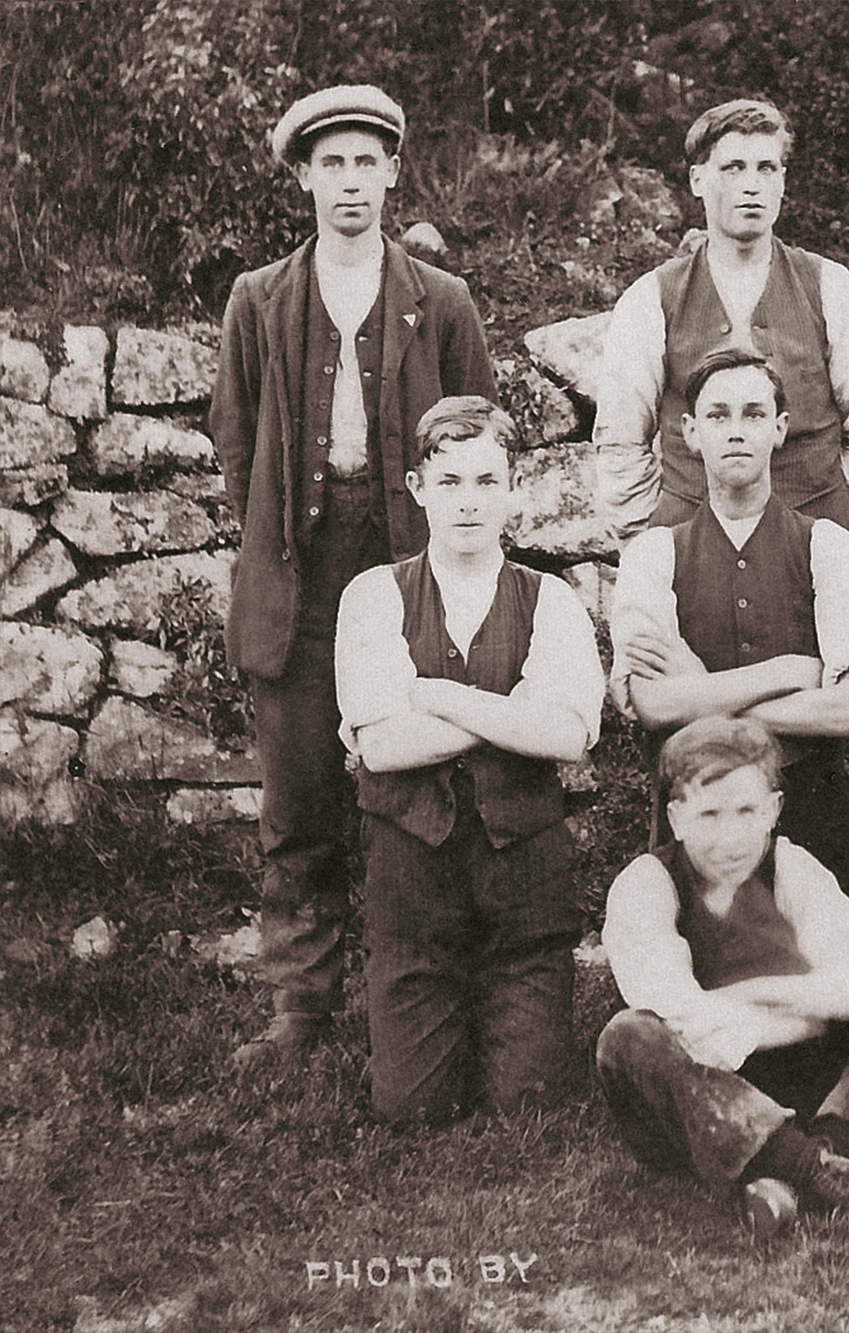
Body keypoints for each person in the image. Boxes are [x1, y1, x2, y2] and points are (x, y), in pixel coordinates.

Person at [212, 84, 498, 1065]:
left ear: (391, 172)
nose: (349, 182)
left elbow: (476, 432)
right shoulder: (258, 299)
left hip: (405, 568)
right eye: (329, 163)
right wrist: (275, 532)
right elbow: (236, 438)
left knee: (413, 782)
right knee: (298, 797)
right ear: (303, 177)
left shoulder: (441, 301)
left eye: (365, 162)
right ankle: (301, 1007)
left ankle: (414, 986)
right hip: (297, 575)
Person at [596, 716, 849, 1242]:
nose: (731, 838)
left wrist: (760, 994)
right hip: (707, 1103)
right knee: (629, 1036)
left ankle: (801, 1168)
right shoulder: (647, 884)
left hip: (804, 1081)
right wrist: (819, 1013)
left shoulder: (791, 866)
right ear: (676, 817)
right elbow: (688, 1021)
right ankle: (841, 1178)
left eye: (747, 812)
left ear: (773, 810)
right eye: (709, 814)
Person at [332, 397, 603, 1121]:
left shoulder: (552, 601)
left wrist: (438, 696)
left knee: (528, 1103)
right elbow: (384, 746)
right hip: (412, 889)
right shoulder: (373, 596)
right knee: (412, 1108)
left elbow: (568, 736)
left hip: (523, 888)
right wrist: (513, 713)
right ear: (418, 488)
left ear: (514, 488)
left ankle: (508, 1017)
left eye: (487, 481)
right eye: (449, 481)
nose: (469, 501)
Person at [607, 347, 849, 892]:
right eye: (718, 415)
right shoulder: (653, 555)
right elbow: (654, 704)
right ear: (691, 432)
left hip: (809, 823)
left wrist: (702, 692)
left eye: (753, 413)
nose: (736, 431)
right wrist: (790, 670)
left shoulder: (829, 547)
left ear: (780, 429)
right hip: (694, 825)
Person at [594, 98, 849, 538]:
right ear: (697, 179)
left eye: (766, 168)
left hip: (813, 529)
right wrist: (649, 539)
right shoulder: (650, 299)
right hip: (692, 533)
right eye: (733, 168)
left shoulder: (832, 287)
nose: (752, 185)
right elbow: (621, 439)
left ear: (782, 180)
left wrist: (836, 503)